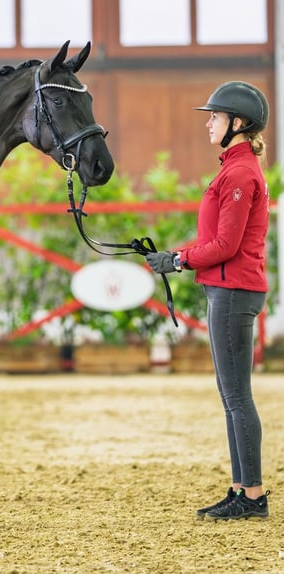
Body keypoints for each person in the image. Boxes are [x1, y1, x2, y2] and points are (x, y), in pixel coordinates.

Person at [145, 80, 271, 521]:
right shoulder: (232, 168)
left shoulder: (238, 173)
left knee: (237, 396)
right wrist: (172, 256)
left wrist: (178, 262)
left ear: (237, 123)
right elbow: (212, 241)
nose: (208, 124)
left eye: (215, 117)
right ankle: (241, 488)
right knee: (230, 394)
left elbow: (225, 245)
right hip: (227, 288)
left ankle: (252, 496)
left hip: (234, 291)